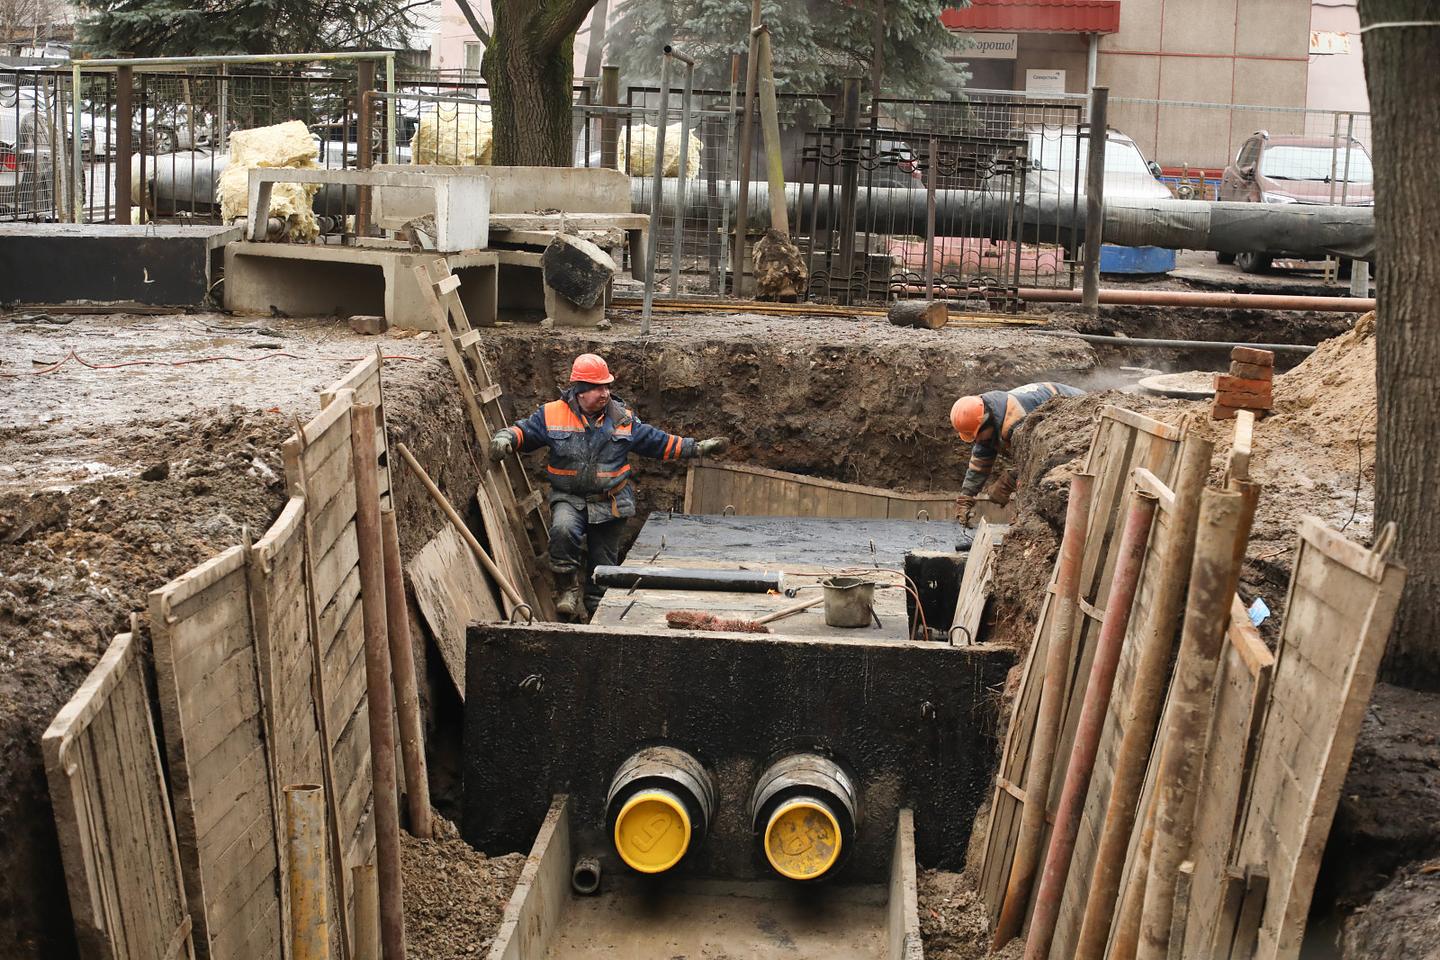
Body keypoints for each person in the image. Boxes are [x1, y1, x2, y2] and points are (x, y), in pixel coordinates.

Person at [489, 353, 729, 620]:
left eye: (607, 386)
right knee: (563, 530)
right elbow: (525, 433)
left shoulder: (622, 418)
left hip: (610, 501)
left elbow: (657, 442)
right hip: (570, 497)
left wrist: (695, 448)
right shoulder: (552, 413)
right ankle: (568, 589)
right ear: (579, 390)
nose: (604, 393)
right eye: (597, 387)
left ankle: (597, 611)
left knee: (603, 562)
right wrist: (505, 436)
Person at [950, 381, 1085, 520]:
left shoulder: (1016, 423)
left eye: (976, 435)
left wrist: (1008, 481)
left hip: (1078, 413)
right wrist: (966, 498)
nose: (976, 440)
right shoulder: (988, 415)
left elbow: (1037, 460)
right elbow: (980, 461)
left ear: (986, 421)